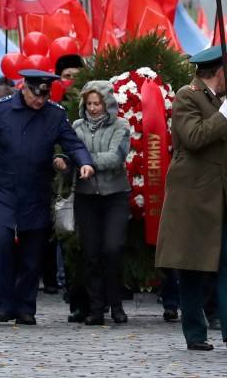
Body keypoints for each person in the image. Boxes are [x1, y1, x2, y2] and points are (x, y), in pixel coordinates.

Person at [0, 68, 94, 326]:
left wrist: (84, 162)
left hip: (35, 190)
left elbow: (72, 143)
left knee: (33, 250)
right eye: (36, 93)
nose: (40, 99)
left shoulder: (54, 114)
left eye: (45, 94)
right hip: (3, 189)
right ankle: (2, 305)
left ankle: (25, 307)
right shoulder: (0, 110)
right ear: (24, 88)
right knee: (1, 242)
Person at [154, 45, 227, 351]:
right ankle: (195, 334)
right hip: (193, 198)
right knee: (191, 268)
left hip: (219, 196)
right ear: (218, 73)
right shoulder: (186, 95)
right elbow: (193, 138)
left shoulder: (217, 101)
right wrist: (221, 117)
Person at [71, 79, 132, 325]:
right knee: (91, 253)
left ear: (107, 103)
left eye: (97, 103)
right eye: (89, 104)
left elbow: (116, 157)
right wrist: (66, 161)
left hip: (115, 195)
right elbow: (70, 149)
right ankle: (96, 308)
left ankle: (116, 304)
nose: (93, 108)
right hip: (87, 198)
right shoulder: (76, 126)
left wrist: (85, 160)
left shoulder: (121, 125)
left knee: (112, 249)